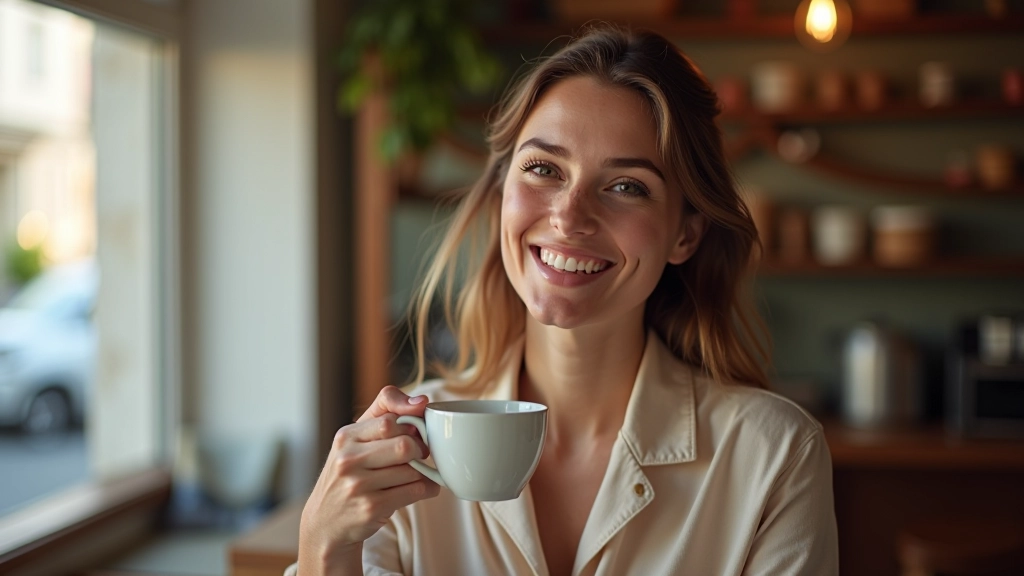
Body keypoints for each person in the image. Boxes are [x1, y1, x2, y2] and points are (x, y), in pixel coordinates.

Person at [290, 24, 838, 576]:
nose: (569, 217)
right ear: (503, 191)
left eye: (627, 186)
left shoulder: (774, 457)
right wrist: (322, 546)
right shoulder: (407, 448)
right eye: (544, 169)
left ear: (685, 235)